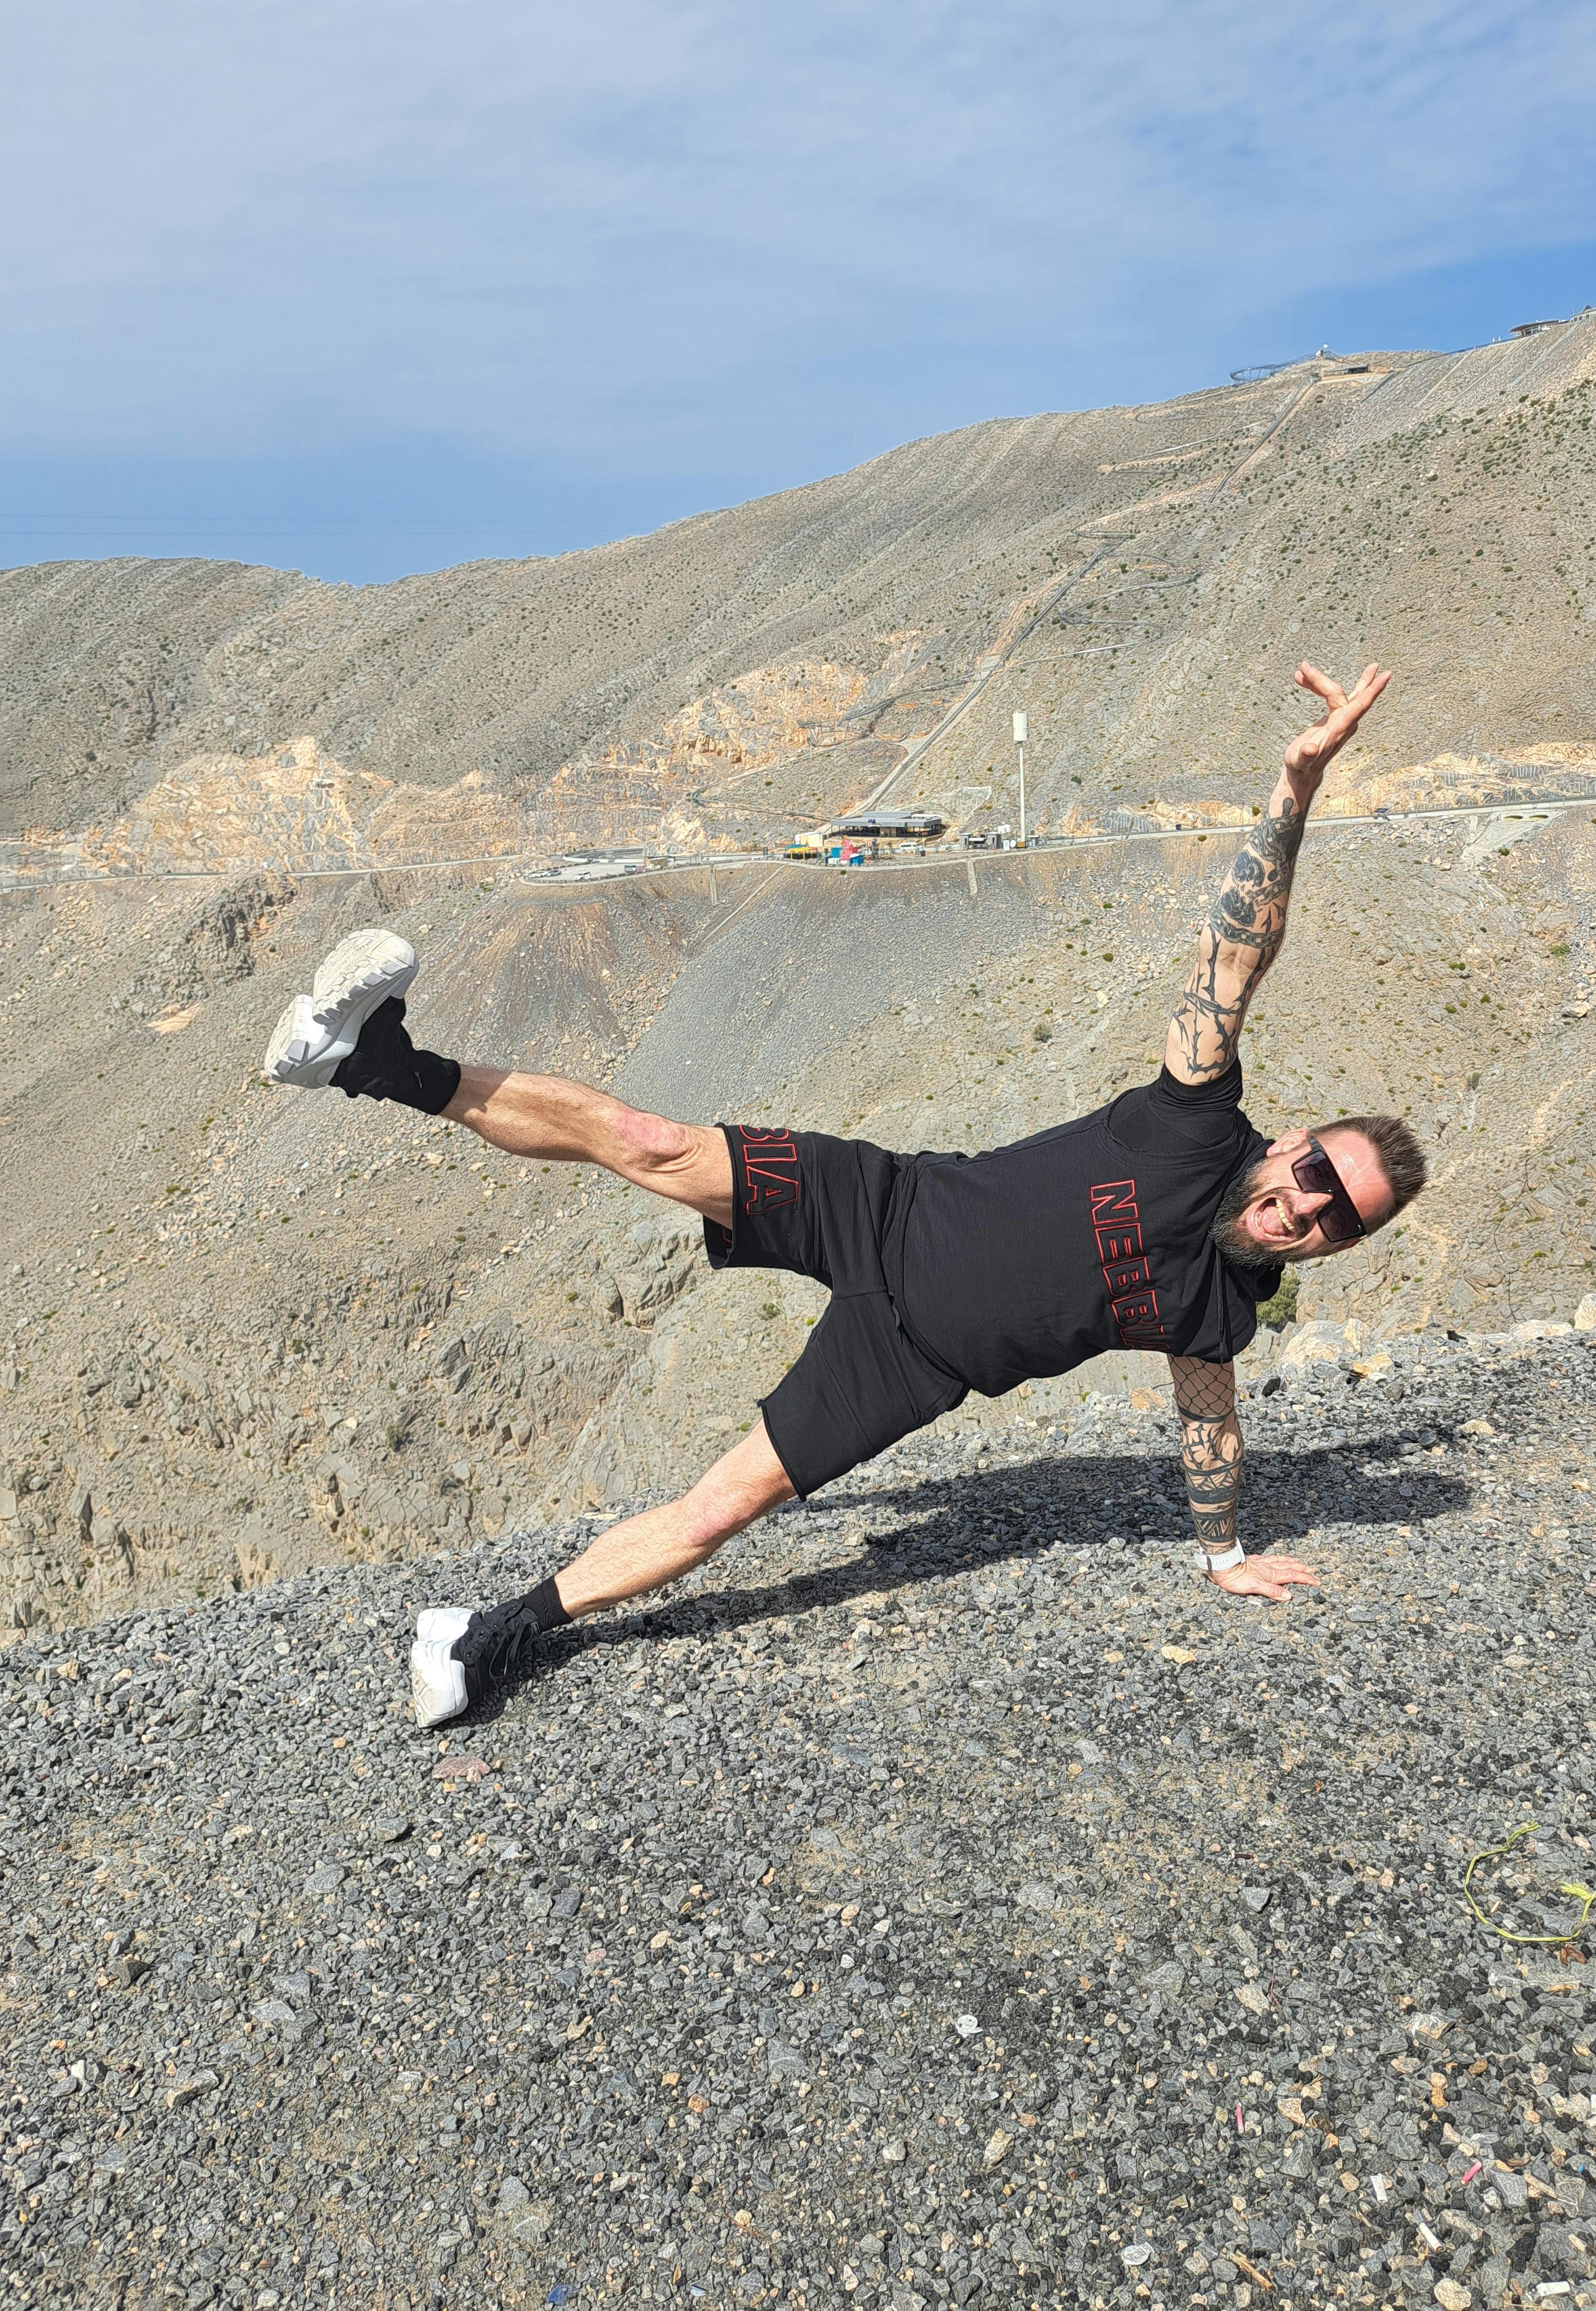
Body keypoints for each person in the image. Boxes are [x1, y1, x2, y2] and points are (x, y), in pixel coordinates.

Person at [261, 662, 1426, 1727]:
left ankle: (490, 1637)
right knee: (649, 1142)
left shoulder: (1218, 1313)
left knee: (719, 1511)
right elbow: (1236, 955)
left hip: (905, 1367)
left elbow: (1209, 1425)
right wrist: (1295, 784)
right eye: (1318, 1172)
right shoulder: (1197, 1122)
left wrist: (1224, 1558)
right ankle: (368, 1063)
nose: (1310, 1206)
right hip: (878, 1203)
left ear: (1339, 1245)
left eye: (1342, 1217)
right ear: (1290, 1142)